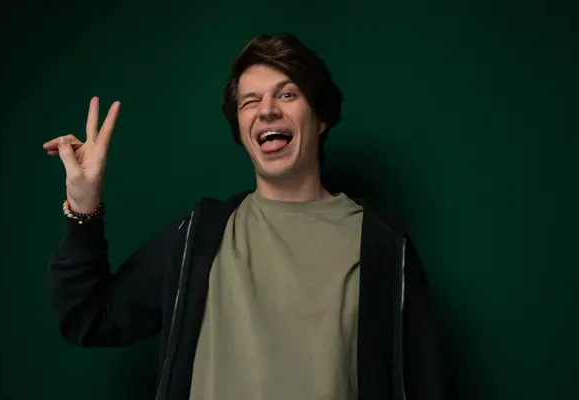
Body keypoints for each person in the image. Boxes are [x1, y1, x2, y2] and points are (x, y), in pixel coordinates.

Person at [44, 34, 449, 400]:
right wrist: (84, 207)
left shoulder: (383, 247)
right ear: (240, 128)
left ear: (321, 117)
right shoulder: (198, 237)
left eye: (287, 95)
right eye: (250, 101)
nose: (267, 111)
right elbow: (91, 319)